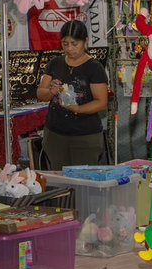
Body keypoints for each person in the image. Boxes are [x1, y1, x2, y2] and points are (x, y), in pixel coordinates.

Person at [36, 19, 110, 171]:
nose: (69, 48)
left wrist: (77, 109)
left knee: (83, 182)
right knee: (59, 180)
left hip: (85, 136)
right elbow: (40, 93)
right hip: (55, 134)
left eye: (75, 44)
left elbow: (101, 102)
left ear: (85, 42)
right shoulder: (55, 63)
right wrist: (50, 91)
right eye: (65, 43)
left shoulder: (94, 68)